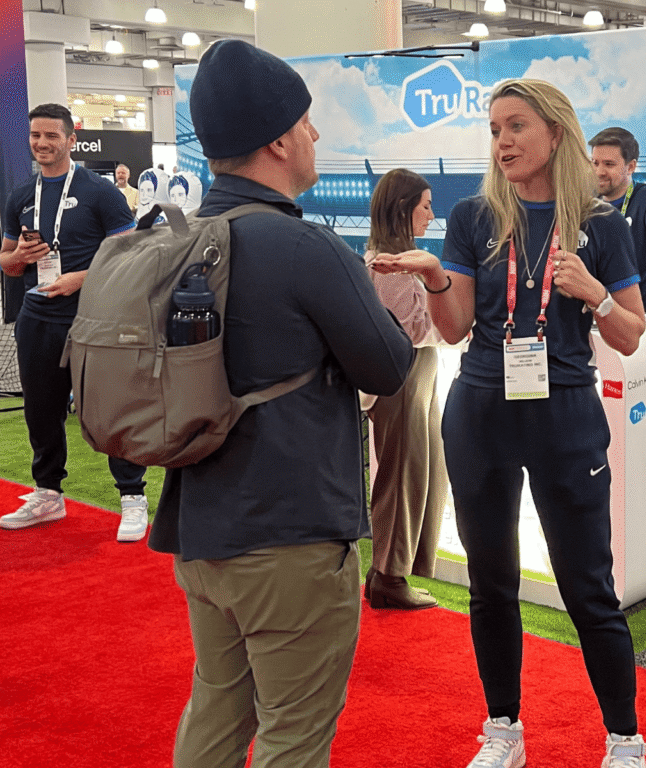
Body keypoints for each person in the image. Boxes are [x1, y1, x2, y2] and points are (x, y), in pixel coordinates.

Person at [147, 40, 414, 768]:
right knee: (295, 735)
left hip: (199, 525)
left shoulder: (176, 242)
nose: (315, 134)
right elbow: (389, 365)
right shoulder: (305, 247)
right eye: (305, 121)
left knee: (215, 712)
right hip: (290, 537)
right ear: (277, 140)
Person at [372, 78, 646, 768]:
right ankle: (503, 731)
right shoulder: (473, 217)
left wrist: (593, 294)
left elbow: (631, 333)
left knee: (589, 589)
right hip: (480, 413)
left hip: (566, 416)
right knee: (490, 585)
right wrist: (435, 278)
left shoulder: (603, 225)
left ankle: (624, 738)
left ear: (555, 132)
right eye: (494, 129)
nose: (502, 141)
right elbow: (455, 326)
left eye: (516, 126)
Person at [1, 103, 149, 543]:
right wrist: (18, 257)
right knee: (40, 410)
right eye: (35, 135)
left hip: (94, 319)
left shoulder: (100, 192)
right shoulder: (20, 196)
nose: (42, 143)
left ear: (71, 140)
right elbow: (7, 262)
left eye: (51, 136)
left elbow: (129, 255)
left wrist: (79, 279)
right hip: (36, 319)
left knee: (111, 409)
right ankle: (48, 493)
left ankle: (132, 496)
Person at [363, 168, 447, 610]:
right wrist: (453, 307)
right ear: (403, 209)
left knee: (420, 471)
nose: (431, 215)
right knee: (403, 475)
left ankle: (390, 572)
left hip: (416, 373)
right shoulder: (390, 266)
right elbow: (413, 329)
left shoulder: (397, 261)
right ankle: (388, 576)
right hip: (405, 374)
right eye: (425, 206)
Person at [590, 127, 646, 317]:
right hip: (599, 318)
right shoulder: (587, 203)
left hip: (645, 319)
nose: (599, 172)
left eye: (609, 164)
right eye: (595, 163)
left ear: (631, 166)